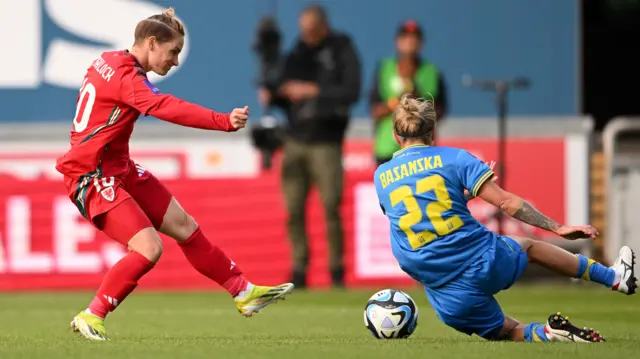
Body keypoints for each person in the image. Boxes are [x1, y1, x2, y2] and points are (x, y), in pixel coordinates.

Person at [55, 8, 294, 341]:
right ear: (151, 43)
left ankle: (243, 292)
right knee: (148, 248)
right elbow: (165, 107)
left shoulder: (110, 60)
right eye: (173, 52)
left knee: (185, 227)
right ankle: (92, 314)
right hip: (91, 175)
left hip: (118, 167)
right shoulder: (128, 79)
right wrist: (221, 121)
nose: (176, 61)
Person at [373, 94, 637, 342]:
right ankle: (611, 279)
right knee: (529, 247)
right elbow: (507, 203)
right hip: (480, 261)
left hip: (443, 291)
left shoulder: (382, 176)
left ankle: (546, 333)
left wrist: (461, 196)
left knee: (503, 332)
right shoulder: (454, 158)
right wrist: (558, 227)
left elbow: (418, 212)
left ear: (396, 136)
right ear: (433, 131)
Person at [259, 4, 361, 288]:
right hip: (295, 139)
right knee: (293, 209)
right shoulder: (297, 51)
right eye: (302, 30)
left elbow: (351, 91)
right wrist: (273, 94)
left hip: (326, 141)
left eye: (310, 30)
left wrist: (312, 90)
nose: (305, 35)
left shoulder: (341, 49)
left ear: (322, 26)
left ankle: (336, 270)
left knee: (331, 207)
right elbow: (284, 93)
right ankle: (299, 269)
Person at [369, 20, 447, 166]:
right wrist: (398, 103)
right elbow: (374, 110)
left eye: (414, 39)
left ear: (421, 43)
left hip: (423, 149)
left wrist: (416, 99)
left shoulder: (432, 72)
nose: (410, 42)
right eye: (405, 38)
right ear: (397, 42)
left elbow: (441, 111)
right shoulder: (384, 69)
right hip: (388, 149)